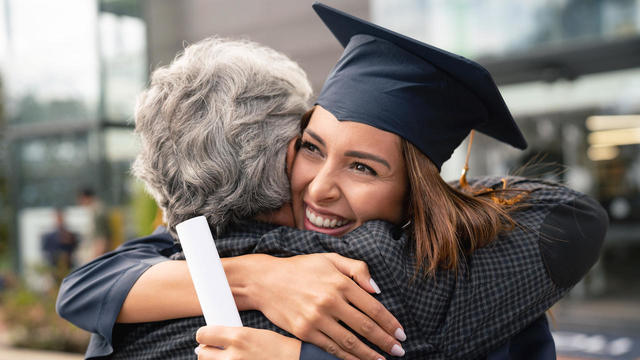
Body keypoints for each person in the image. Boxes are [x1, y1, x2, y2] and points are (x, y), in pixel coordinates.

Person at [57, 5, 607, 360]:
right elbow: (89, 284)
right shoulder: (232, 252)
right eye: (311, 149)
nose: (320, 187)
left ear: (418, 190)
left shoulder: (469, 280)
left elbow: (86, 289)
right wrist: (257, 277)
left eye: (364, 167)